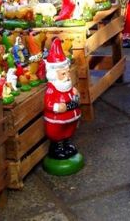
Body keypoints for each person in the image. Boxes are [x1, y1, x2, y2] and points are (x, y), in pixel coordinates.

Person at [42, 37, 83, 175]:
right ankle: (57, 148)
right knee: (57, 133)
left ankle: (66, 144)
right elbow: (48, 103)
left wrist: (76, 95)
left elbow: (73, 94)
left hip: (70, 115)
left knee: (68, 131)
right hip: (57, 119)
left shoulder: (68, 86)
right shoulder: (52, 89)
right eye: (63, 74)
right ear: (54, 74)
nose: (66, 76)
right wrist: (57, 107)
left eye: (67, 73)